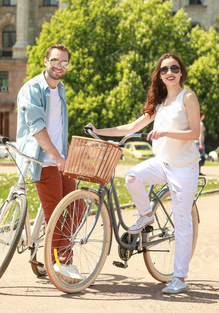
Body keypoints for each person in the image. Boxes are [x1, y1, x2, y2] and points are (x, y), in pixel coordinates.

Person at [86, 53, 201, 294]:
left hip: (184, 167)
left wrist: (166, 133)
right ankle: (146, 215)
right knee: (132, 176)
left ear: (181, 72)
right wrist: (99, 130)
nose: (169, 72)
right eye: (164, 69)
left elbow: (193, 133)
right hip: (163, 163)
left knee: (181, 222)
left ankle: (179, 277)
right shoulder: (159, 104)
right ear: (159, 75)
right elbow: (130, 127)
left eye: (174, 68)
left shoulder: (187, 97)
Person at [16, 44, 82, 282]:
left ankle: (60, 257)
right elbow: (37, 127)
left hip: (60, 158)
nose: (59, 67)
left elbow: (58, 128)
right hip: (41, 159)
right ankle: (59, 262)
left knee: (77, 205)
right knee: (55, 211)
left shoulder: (61, 89)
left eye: (64, 63)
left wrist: (64, 155)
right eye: (55, 61)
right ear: (45, 61)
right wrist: (55, 156)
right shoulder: (32, 88)